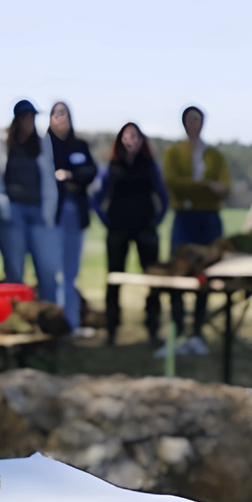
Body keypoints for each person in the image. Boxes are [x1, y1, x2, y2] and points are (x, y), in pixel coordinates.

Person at [92, 123, 170, 345]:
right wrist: (106, 220)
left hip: (146, 229)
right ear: (120, 140)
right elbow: (96, 196)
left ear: (141, 140)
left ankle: (154, 328)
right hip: (118, 229)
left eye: (135, 136)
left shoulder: (149, 166)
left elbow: (163, 197)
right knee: (114, 278)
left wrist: (156, 220)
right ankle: (111, 329)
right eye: (127, 136)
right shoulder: (112, 166)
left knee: (154, 278)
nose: (131, 140)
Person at [0, 100, 64, 304]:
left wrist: (50, 210)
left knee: (47, 269)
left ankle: (50, 316)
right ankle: (17, 317)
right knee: (15, 270)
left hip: (38, 210)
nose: (30, 122)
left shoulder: (41, 142)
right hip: (10, 210)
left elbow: (49, 178)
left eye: (33, 117)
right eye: (26, 117)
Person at [163, 106, 230, 355]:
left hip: (209, 219)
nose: (195, 124)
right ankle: (178, 330)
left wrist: (201, 189)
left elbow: (225, 187)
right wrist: (205, 187)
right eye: (190, 119)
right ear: (184, 123)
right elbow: (173, 183)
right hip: (184, 217)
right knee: (178, 270)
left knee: (206, 273)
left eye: (198, 119)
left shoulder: (213, 154)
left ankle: (197, 332)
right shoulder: (173, 152)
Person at [48, 101, 98, 333]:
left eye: (64, 114)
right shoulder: (43, 146)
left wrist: (71, 176)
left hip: (75, 214)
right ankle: (54, 323)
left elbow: (91, 170)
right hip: (51, 215)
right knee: (53, 271)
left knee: (70, 272)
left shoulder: (79, 145)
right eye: (56, 115)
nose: (61, 119)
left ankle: (71, 323)